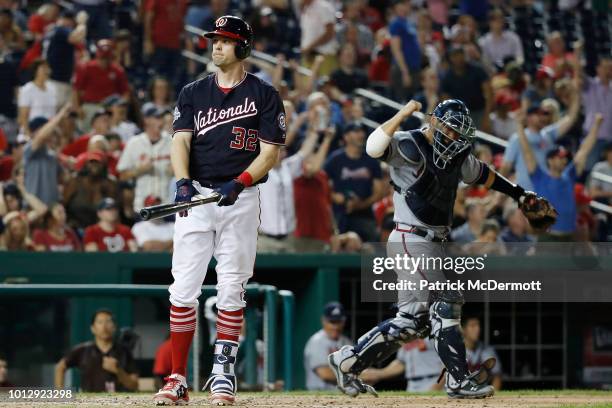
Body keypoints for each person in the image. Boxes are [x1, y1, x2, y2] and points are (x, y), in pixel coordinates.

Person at [329, 98, 551, 398]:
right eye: (449, 129)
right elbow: (373, 147)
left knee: (412, 323)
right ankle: (458, 380)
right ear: (435, 121)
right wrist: (405, 113)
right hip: (411, 237)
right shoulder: (412, 143)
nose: (453, 137)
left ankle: (348, 361)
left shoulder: (458, 155)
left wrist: (520, 194)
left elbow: (484, 175)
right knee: (445, 301)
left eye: (458, 133)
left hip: (433, 242)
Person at [153, 16, 286, 406]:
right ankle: (177, 378)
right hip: (197, 197)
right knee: (183, 288)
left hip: (241, 199)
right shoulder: (194, 92)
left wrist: (241, 181)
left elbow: (270, 154)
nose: (216, 47)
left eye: (226, 41)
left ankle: (222, 375)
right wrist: (181, 182)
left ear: (242, 48)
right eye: (215, 40)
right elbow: (180, 142)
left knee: (231, 287)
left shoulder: (263, 94)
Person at [518, 112, 603, 241]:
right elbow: (527, 152)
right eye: (560, 158)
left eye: (565, 159)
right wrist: (519, 126)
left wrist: (596, 124)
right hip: (547, 238)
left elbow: (584, 150)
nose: (564, 161)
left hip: (569, 237)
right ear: (550, 160)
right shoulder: (539, 177)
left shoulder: (569, 175)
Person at [258, 127, 332, 253]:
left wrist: (314, 132)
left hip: (288, 239)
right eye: (278, 151)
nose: (282, 154)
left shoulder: (288, 168)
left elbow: (303, 153)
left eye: (283, 151)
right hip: (265, 240)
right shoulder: (259, 170)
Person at [501, 93, 580, 192]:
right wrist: (497, 189)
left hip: (546, 192)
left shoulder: (548, 134)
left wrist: (576, 93)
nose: (543, 117)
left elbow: (570, 118)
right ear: (529, 117)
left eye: (545, 114)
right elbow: (506, 166)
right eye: (538, 114)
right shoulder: (517, 138)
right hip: (525, 192)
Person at [325, 123, 384, 242]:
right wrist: (334, 196)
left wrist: (359, 205)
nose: (361, 135)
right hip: (339, 215)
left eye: (362, 131)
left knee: (371, 254)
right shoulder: (335, 159)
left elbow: (379, 192)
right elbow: (322, 183)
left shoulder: (371, 160)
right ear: (346, 137)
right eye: (356, 131)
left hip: (365, 215)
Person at [54, 309, 139, 392]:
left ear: (114, 327)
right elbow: (60, 367)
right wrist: (60, 393)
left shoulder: (124, 352)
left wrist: (118, 371)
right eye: (100, 322)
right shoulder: (82, 350)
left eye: (108, 322)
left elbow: (134, 385)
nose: (104, 326)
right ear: (93, 328)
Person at [117, 105, 172, 212]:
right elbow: (122, 175)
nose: (161, 121)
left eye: (162, 117)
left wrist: (175, 170)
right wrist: (139, 170)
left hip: (168, 204)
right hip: (142, 205)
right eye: (157, 118)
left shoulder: (172, 141)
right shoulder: (134, 143)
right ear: (146, 120)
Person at [73, 39, 129, 129]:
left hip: (110, 109)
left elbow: (125, 93)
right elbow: (76, 90)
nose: (104, 61)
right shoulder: (87, 67)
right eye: (102, 58)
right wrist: (78, 108)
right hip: (90, 106)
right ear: (97, 55)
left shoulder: (117, 70)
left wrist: (121, 110)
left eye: (106, 58)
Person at [23, 105, 72, 205]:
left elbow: (64, 178)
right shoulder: (29, 149)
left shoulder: (53, 156)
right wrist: (61, 114)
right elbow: (41, 136)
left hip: (51, 208)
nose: (49, 132)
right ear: (34, 132)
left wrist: (72, 167)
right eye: (44, 128)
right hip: (34, 207)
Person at [360, 338, 444, 392]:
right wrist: (378, 374)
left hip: (434, 380)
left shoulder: (436, 331)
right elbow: (401, 363)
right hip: (412, 385)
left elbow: (448, 365)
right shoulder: (407, 335)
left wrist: (437, 386)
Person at [42, 9, 87, 107]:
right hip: (57, 80)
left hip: (52, 77)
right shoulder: (61, 29)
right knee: (58, 114)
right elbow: (76, 37)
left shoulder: (53, 30)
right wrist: (82, 23)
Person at [304, 302, 352, 391]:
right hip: (319, 396)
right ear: (323, 320)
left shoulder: (346, 342)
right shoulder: (317, 341)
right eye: (332, 322)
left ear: (344, 321)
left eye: (339, 322)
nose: (336, 327)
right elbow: (325, 374)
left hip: (343, 395)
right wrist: (356, 377)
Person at [388, 0, 421, 101]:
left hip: (414, 68)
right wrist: (404, 72)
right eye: (400, 4)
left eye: (405, 4)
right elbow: (396, 49)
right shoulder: (396, 23)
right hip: (403, 69)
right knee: (403, 102)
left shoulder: (409, 22)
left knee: (413, 102)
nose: (403, 7)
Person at [462, 317, 502, 390]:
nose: (477, 329)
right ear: (463, 330)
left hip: (481, 392)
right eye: (472, 326)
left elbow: (497, 376)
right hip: (460, 393)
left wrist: (492, 394)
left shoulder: (487, 349)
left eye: (478, 325)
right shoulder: (454, 350)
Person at [17, 59, 57, 132]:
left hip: (49, 130)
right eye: (43, 68)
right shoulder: (27, 89)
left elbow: (54, 112)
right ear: (35, 71)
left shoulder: (52, 88)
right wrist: (28, 134)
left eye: (48, 68)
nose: (47, 71)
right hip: (33, 129)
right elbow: (23, 116)